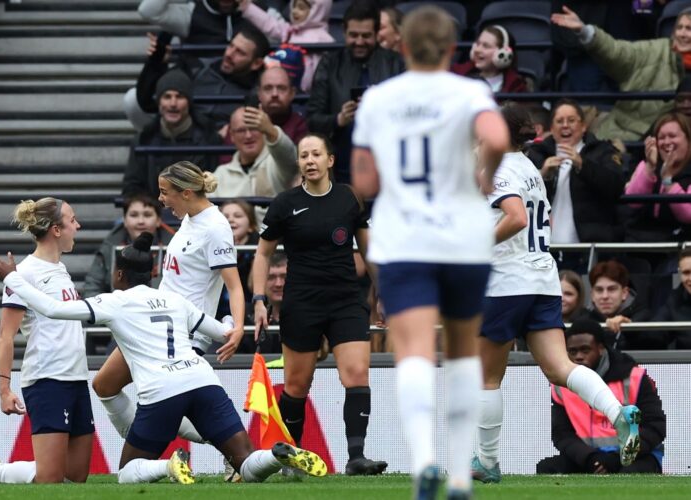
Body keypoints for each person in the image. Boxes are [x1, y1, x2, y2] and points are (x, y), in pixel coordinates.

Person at [0, 232, 327, 484]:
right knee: (246, 462)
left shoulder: (114, 302)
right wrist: (231, 327)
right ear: (154, 272)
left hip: (162, 392)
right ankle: (276, 454)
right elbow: (221, 331)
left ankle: (167, 466)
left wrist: (13, 278)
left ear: (118, 276)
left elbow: (53, 308)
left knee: (129, 472)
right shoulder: (174, 299)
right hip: (203, 380)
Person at [351, 6, 510, 497]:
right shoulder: (469, 92)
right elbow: (499, 137)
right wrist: (484, 171)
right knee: (463, 352)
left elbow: (364, 179)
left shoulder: (379, 98)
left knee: (414, 353)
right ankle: (461, 475)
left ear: (399, 44)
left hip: (404, 239)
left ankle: (424, 461)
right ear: (450, 48)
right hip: (462, 238)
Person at [470, 104, 642, 485]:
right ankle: (618, 414)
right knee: (559, 367)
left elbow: (515, 218)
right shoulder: (530, 168)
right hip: (542, 280)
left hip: (506, 282)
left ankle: (487, 461)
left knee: (486, 378)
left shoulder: (498, 170)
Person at [92, 163, 246, 467]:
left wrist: (238, 327)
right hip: (155, 322)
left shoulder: (214, 227)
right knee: (104, 385)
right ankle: (224, 444)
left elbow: (234, 285)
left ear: (186, 192)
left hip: (184, 332)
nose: (161, 200)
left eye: (165, 193)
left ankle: (225, 449)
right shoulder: (189, 218)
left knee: (156, 398)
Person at [252, 133, 387, 477]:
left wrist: (382, 293)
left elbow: (369, 252)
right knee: (297, 385)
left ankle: (357, 457)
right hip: (302, 303)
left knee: (356, 373)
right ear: (298, 162)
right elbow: (263, 254)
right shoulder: (284, 203)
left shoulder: (348, 199)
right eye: (303, 155)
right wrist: (258, 299)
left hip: (345, 300)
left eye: (316, 154)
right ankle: (290, 460)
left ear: (330, 160)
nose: (309, 160)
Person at [0, 198, 92, 485]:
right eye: (73, 220)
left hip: (77, 378)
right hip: (47, 379)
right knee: (50, 477)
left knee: (77, 475)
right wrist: (4, 389)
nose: (77, 226)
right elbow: (6, 336)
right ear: (56, 229)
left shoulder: (61, 270)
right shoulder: (25, 273)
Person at [536, 319, 665, 475]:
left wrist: (617, 458)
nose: (578, 357)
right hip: (589, 457)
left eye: (585, 350)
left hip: (636, 456)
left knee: (630, 473)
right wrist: (590, 458)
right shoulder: (561, 386)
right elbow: (561, 434)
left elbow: (655, 427)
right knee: (547, 467)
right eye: (572, 351)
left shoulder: (634, 377)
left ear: (601, 348)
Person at [551, 6, 691, 141]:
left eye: (689, 29)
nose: (683, 34)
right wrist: (585, 31)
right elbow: (617, 52)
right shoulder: (655, 50)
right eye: (679, 28)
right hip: (627, 139)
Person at [306, 0, 403, 184]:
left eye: (366, 36)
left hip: (387, 169)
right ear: (344, 31)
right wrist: (338, 119)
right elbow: (313, 119)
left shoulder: (396, 64)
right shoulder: (330, 64)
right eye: (353, 35)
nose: (359, 42)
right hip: (340, 166)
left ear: (376, 33)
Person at [127, 26, 270, 132]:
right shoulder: (197, 68)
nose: (229, 54)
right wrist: (157, 63)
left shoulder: (258, 93)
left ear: (256, 63)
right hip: (183, 135)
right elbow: (147, 101)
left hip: (224, 150)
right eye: (231, 46)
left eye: (240, 52)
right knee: (132, 99)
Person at [526, 99, 625, 246]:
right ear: (552, 128)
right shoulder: (537, 154)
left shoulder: (602, 151)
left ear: (583, 126)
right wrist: (543, 175)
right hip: (544, 248)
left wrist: (582, 165)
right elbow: (518, 196)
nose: (565, 125)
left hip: (589, 246)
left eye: (571, 120)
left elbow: (616, 186)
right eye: (559, 121)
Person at [123, 69, 220, 199]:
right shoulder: (143, 141)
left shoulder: (209, 140)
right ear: (159, 102)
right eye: (167, 97)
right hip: (154, 215)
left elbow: (213, 187)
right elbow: (132, 188)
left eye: (179, 96)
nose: (173, 104)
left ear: (189, 102)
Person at [84, 194, 175, 298]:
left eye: (147, 215)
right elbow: (92, 286)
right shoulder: (109, 247)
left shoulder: (175, 248)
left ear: (158, 220)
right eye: (134, 215)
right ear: (125, 221)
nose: (141, 221)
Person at [211, 106, 299, 210]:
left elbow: (290, 157)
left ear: (263, 130)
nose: (248, 136)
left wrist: (271, 130)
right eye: (241, 130)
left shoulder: (277, 163)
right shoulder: (221, 174)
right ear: (232, 136)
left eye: (254, 128)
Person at [625, 112, 691, 243]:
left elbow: (688, 215)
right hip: (641, 242)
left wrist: (667, 180)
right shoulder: (647, 164)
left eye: (672, 136)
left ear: (688, 139)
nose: (666, 142)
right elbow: (633, 202)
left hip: (681, 246)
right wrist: (650, 167)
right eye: (661, 138)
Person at [239, 0, 333, 92]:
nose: (295, 11)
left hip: (305, 91)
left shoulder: (323, 39)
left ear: (317, 11)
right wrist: (248, 8)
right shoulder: (290, 31)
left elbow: (318, 69)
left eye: (301, 8)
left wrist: (305, 88)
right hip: (284, 87)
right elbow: (270, 24)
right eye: (294, 6)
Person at [580, 260, 662, 350]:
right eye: (599, 290)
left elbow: (656, 344)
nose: (605, 296)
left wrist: (630, 329)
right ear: (592, 295)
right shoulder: (582, 321)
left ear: (624, 293)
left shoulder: (643, 317)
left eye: (612, 289)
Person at [451, 25, 528, 94]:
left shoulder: (515, 86)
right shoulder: (456, 74)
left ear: (503, 53)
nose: (477, 50)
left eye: (486, 46)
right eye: (478, 44)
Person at [217, 199, 259, 315]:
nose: (230, 220)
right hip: (217, 309)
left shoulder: (259, 245)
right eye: (225, 216)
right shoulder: (212, 245)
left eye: (238, 216)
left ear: (251, 226)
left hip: (248, 310)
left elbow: (253, 286)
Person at [653, 248, 691, 349]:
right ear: (679, 275)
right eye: (686, 273)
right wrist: (629, 326)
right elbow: (653, 336)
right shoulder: (675, 301)